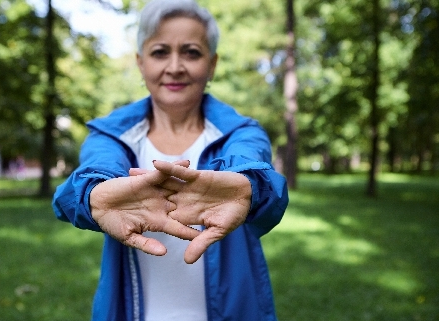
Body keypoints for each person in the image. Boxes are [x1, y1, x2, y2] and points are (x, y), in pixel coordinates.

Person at [52, 0, 289, 320]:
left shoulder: (242, 133)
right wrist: (94, 195)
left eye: (191, 52)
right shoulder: (110, 136)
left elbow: (256, 172)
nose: (175, 66)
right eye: (160, 52)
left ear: (213, 64)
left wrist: (247, 187)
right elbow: (88, 178)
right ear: (140, 63)